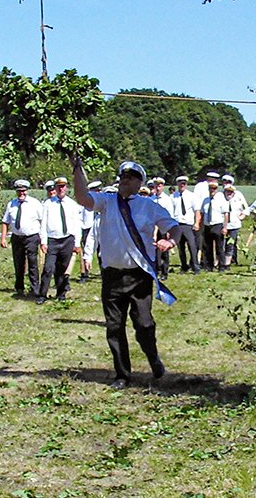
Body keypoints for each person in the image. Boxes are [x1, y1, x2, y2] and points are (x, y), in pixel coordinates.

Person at [74, 158, 178, 389]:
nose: (124, 180)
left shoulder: (149, 206)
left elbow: (174, 227)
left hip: (139, 276)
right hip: (112, 276)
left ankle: (153, 357)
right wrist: (77, 168)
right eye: (122, 176)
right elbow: (83, 198)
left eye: (130, 177)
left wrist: (171, 241)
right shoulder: (107, 201)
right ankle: (122, 374)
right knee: (114, 326)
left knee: (144, 324)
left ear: (140, 182)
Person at [38, 177, 82, 303]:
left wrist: (77, 243)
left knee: (63, 268)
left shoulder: (72, 204)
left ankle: (61, 294)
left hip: (67, 240)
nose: (61, 189)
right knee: (48, 268)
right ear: (55, 188)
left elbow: (77, 224)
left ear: (67, 188)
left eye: (63, 186)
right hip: (52, 240)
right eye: (58, 187)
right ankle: (42, 295)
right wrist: (43, 241)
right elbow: (43, 224)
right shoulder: (48, 204)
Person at [0, 179, 43, 298]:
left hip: (31, 237)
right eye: (19, 191)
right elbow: (5, 222)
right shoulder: (11, 204)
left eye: (23, 191)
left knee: (32, 263)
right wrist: (3, 238)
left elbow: (43, 221)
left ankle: (35, 289)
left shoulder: (35, 203)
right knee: (18, 263)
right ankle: (19, 287)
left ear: (27, 191)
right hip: (17, 238)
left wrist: (43, 238)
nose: (21, 193)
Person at [170, 176, 199, 273]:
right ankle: (184, 266)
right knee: (180, 247)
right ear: (177, 184)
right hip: (177, 224)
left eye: (184, 183)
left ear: (186, 184)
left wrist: (197, 223)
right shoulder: (173, 197)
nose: (182, 185)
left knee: (192, 246)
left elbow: (197, 210)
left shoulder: (192, 196)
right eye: (180, 183)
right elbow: (170, 211)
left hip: (188, 225)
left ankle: (195, 266)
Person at [148, 178, 176, 280]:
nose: (157, 188)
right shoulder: (151, 199)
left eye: (159, 186)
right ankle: (156, 270)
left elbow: (170, 215)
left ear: (163, 187)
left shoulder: (167, 200)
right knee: (154, 250)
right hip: (153, 227)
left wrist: (169, 230)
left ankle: (164, 272)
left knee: (164, 251)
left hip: (163, 227)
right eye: (156, 186)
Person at [197, 180, 227, 271]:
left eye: (214, 188)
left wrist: (225, 227)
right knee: (207, 247)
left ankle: (222, 266)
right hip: (207, 226)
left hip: (217, 225)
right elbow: (202, 213)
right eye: (211, 188)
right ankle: (209, 266)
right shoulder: (205, 200)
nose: (212, 190)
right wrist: (200, 225)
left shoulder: (221, 200)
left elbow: (226, 214)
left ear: (217, 189)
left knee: (219, 247)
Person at [220, 176, 249, 268]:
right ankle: (222, 261)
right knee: (222, 244)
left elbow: (246, 208)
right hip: (222, 224)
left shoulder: (238, 195)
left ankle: (231, 261)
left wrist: (241, 216)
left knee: (231, 243)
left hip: (234, 224)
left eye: (228, 182)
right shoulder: (220, 195)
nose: (226, 183)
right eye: (224, 182)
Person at [78, 180, 102, 283]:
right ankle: (85, 274)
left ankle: (104, 271)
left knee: (102, 251)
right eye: (96, 191)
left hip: (100, 228)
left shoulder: (102, 202)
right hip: (87, 229)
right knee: (86, 251)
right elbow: (80, 216)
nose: (98, 192)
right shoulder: (86, 203)